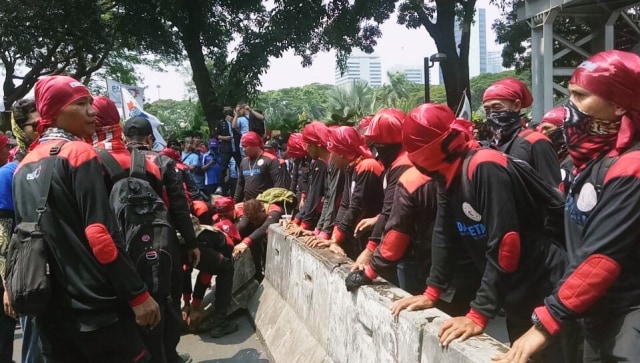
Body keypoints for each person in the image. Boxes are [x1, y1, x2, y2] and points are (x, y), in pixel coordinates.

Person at [389, 103, 575, 362]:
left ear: (426, 152)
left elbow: (506, 243)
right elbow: (444, 235)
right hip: (516, 290)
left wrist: (479, 313)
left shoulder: (484, 166)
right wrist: (432, 292)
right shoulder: (448, 176)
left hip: (545, 284)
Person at [494, 50, 640, 363]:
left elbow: (601, 256)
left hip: (628, 321)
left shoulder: (633, 168)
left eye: (580, 96)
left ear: (618, 104)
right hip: (593, 313)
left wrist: (547, 322)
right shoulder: (593, 162)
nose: (569, 108)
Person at [11, 75, 160, 362]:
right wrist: (138, 295)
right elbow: (99, 235)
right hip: (96, 310)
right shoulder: (78, 153)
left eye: (91, 102)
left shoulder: (22, 167)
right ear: (55, 111)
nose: (92, 111)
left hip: (49, 311)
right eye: (80, 103)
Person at [123, 117, 201, 363]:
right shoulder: (164, 162)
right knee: (169, 298)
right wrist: (191, 242)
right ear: (150, 139)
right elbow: (179, 206)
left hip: (125, 245)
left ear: (125, 139)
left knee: (133, 300)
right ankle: (169, 355)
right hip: (163, 242)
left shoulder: (111, 161)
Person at [351, 108, 412, 284]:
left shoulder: (402, 164)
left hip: (408, 247)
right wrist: (376, 219)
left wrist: (369, 251)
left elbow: (391, 211)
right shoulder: (395, 162)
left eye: (379, 144)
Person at [313, 126, 384, 259]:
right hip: (359, 234)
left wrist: (338, 238)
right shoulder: (350, 168)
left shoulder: (367, 166)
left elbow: (357, 206)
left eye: (332, 153)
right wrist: (334, 238)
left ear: (341, 153)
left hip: (374, 236)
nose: (331, 159)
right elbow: (345, 204)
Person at [483, 78, 561, 187]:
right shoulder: (494, 145)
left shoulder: (536, 142)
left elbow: (554, 191)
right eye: (487, 109)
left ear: (516, 106)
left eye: (497, 107)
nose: (491, 114)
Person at [234, 189, 293, 281]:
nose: (254, 222)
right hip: (260, 227)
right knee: (250, 233)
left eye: (256, 218)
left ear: (263, 210)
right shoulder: (250, 211)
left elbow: (265, 227)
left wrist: (246, 242)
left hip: (274, 231)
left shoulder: (275, 210)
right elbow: (242, 226)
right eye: (252, 219)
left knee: (262, 239)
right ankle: (257, 273)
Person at [288, 123, 329, 234]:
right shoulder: (317, 163)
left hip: (324, 218)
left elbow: (316, 195)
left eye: (308, 145)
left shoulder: (321, 164)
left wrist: (305, 224)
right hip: (322, 218)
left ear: (316, 144)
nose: (306, 148)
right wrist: (298, 219)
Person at [234, 131, 286, 202]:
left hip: (265, 204)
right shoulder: (244, 162)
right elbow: (240, 185)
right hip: (249, 205)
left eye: (245, 146)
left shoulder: (270, 160)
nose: (243, 149)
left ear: (254, 145)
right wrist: (235, 202)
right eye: (242, 147)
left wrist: (273, 204)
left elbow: (278, 185)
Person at [216, 110, 242, 195]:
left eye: (231, 116)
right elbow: (216, 135)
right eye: (228, 116)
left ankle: (243, 183)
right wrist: (224, 138)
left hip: (236, 147)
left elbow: (241, 132)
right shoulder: (221, 123)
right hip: (226, 148)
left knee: (241, 165)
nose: (229, 117)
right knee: (223, 168)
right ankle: (220, 187)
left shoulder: (236, 122)